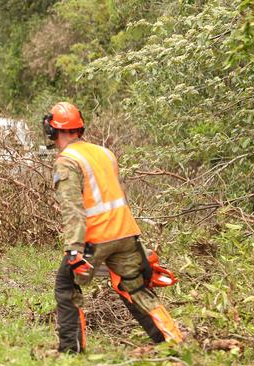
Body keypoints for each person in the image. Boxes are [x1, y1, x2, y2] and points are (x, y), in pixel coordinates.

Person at [46, 102, 183, 353]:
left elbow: (73, 209)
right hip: (126, 233)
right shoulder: (104, 153)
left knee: (66, 286)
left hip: (95, 238)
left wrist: (74, 251)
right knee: (134, 288)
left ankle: (70, 350)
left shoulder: (67, 161)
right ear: (80, 128)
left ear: (54, 131)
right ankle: (173, 341)